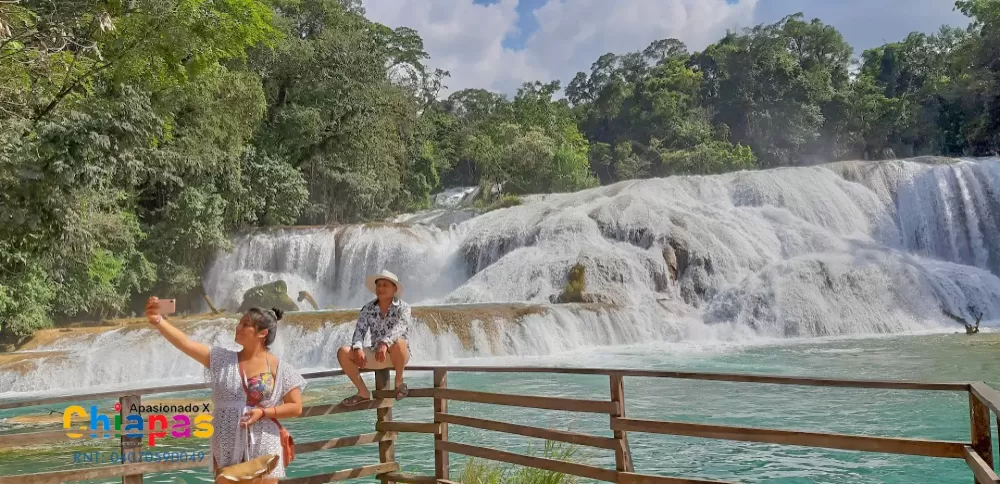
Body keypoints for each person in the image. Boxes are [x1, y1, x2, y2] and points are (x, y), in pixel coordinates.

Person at [144, 296, 306, 483]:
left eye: (245, 324)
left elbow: (296, 406)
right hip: (226, 444)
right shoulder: (221, 359)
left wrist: (263, 412)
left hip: (264, 443)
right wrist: (158, 321)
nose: (238, 327)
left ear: (262, 333)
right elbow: (185, 343)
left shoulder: (281, 369)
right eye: (239, 322)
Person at [337, 269, 411, 405]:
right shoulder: (367, 309)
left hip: (397, 356)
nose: (381, 288)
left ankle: (399, 383)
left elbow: (399, 328)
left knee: (400, 342)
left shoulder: (404, 308)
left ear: (394, 288)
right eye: (379, 285)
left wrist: (385, 343)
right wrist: (358, 348)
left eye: (385, 285)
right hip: (376, 354)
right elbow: (359, 331)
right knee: (343, 352)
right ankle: (363, 392)